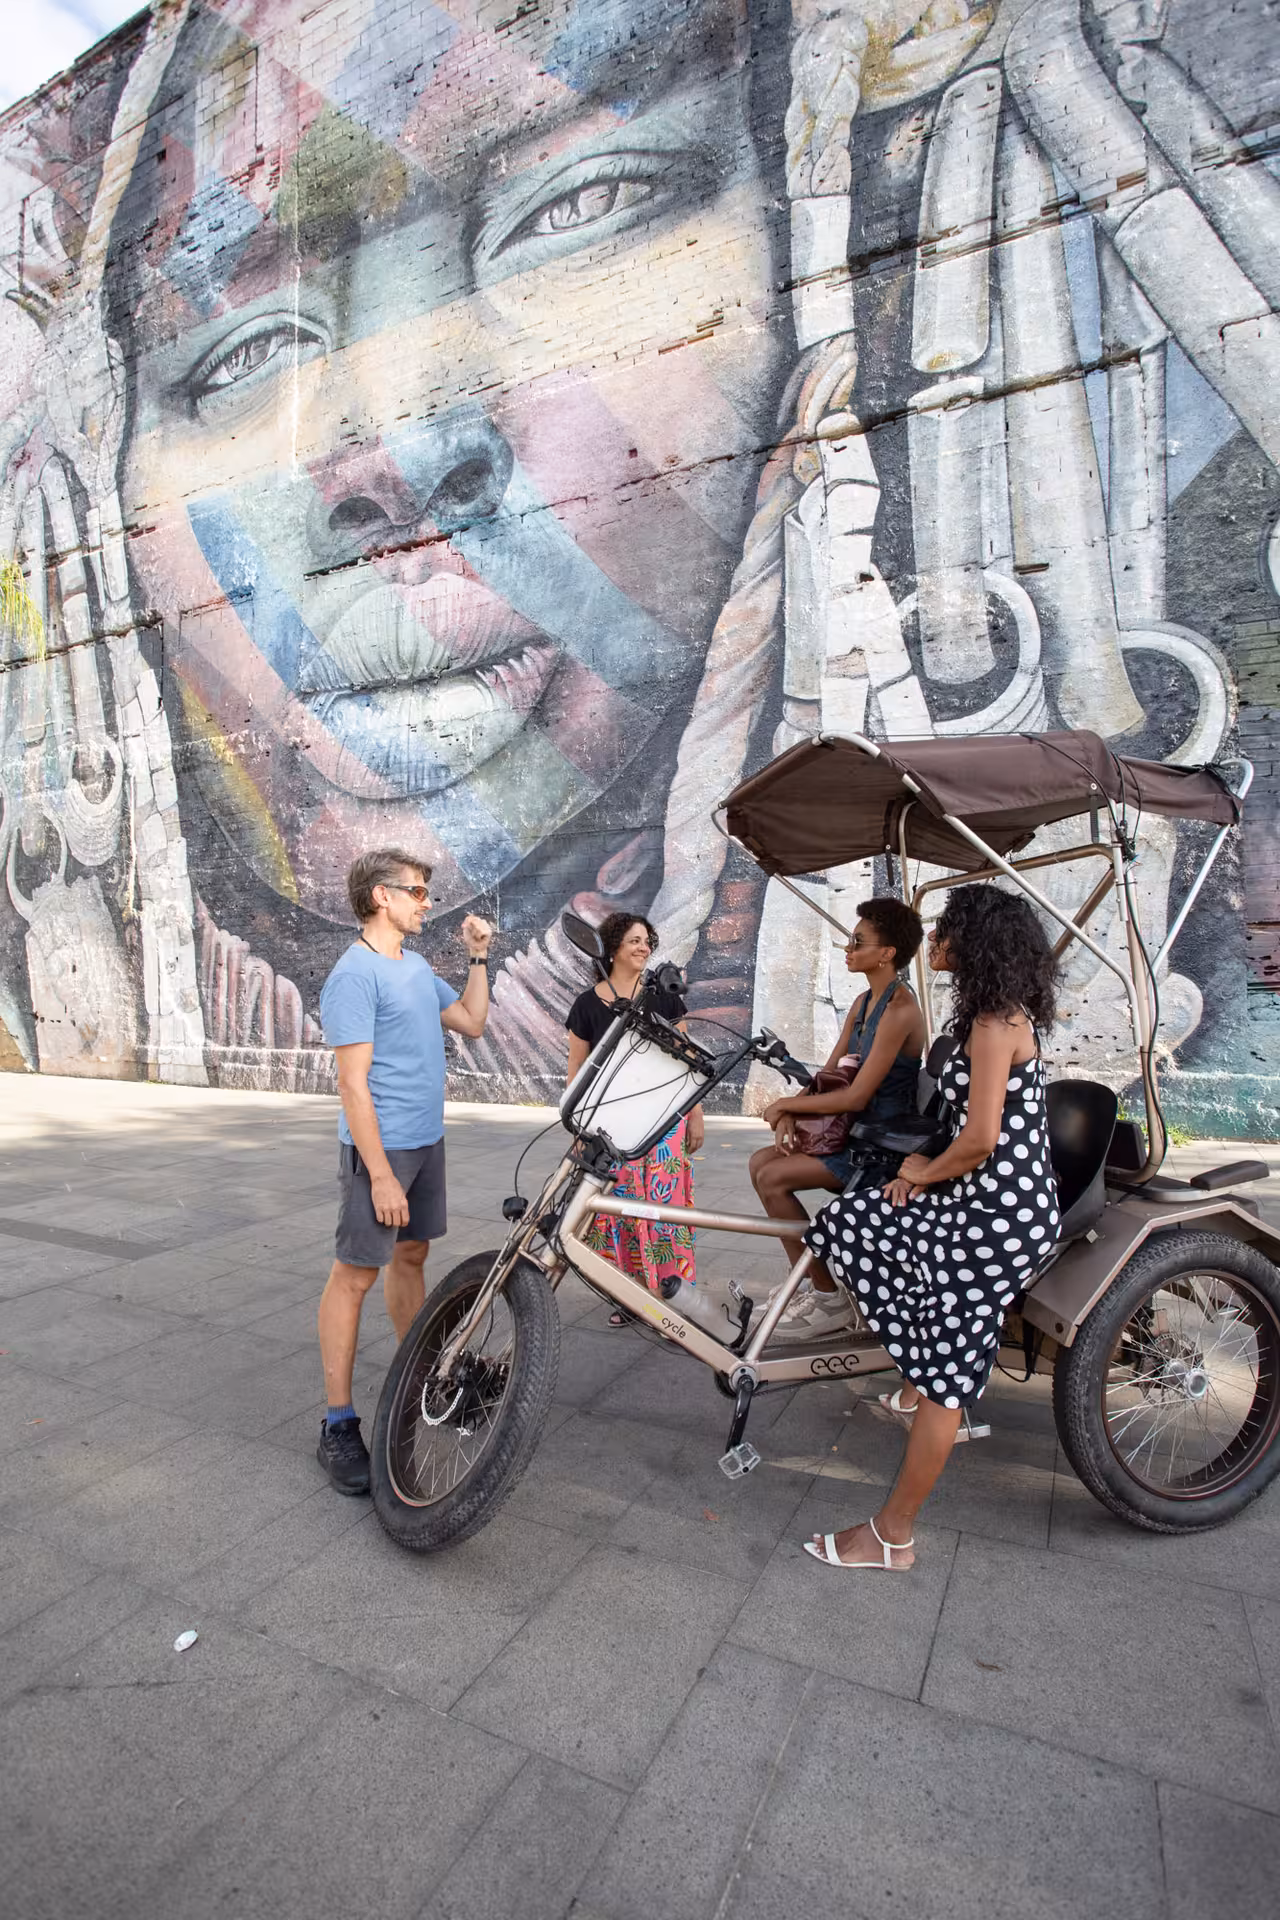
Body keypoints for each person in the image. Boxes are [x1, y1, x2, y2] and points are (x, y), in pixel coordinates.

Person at [800, 884, 1061, 1570]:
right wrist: (917, 1165)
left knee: (946, 1365)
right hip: (973, 1194)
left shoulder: (993, 1024)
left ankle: (893, 1536)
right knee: (851, 1222)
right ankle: (923, 1371)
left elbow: (979, 1140)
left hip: (1000, 1213)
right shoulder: (980, 1014)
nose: (935, 943)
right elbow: (963, 1133)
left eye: (946, 934)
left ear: (973, 945)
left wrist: (920, 1174)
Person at [314, 848, 493, 1494]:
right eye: (415, 891)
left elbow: (472, 1021)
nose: (425, 902)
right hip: (380, 1155)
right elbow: (353, 1087)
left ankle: (421, 1378)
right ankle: (337, 1425)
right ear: (380, 897)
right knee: (354, 1276)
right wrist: (380, 1174)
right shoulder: (354, 976)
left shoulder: (414, 968)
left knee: (412, 1256)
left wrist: (478, 957)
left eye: (425, 891)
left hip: (426, 1142)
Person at [748, 898, 925, 1337]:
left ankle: (829, 1299)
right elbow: (831, 1078)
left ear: (887, 953)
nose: (848, 947)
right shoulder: (864, 1002)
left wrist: (787, 1105)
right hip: (854, 1136)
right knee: (759, 1163)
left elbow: (857, 1094)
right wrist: (792, 1112)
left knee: (773, 1178)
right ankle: (808, 1283)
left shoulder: (901, 1009)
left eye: (858, 941)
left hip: (880, 1149)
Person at [565, 913, 704, 1326]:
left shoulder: (663, 996)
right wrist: (576, 1127)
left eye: (647, 941)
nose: (644, 948)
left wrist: (695, 1114)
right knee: (619, 1213)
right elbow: (576, 1070)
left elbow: (688, 1058)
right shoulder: (586, 1005)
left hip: (662, 1123)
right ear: (611, 949)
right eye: (634, 941)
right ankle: (631, 1296)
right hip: (611, 1127)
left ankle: (673, 1298)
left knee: (667, 1210)